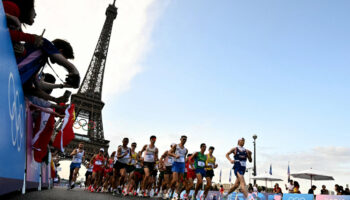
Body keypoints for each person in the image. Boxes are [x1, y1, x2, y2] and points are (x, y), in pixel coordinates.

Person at [168, 135, 188, 199]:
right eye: (183, 139)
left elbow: (184, 157)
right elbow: (169, 152)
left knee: (180, 181)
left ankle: (176, 195)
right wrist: (175, 155)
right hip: (176, 163)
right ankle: (169, 190)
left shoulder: (186, 150)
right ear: (180, 139)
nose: (184, 140)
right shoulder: (176, 146)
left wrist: (185, 161)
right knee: (175, 180)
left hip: (182, 164)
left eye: (185, 139)